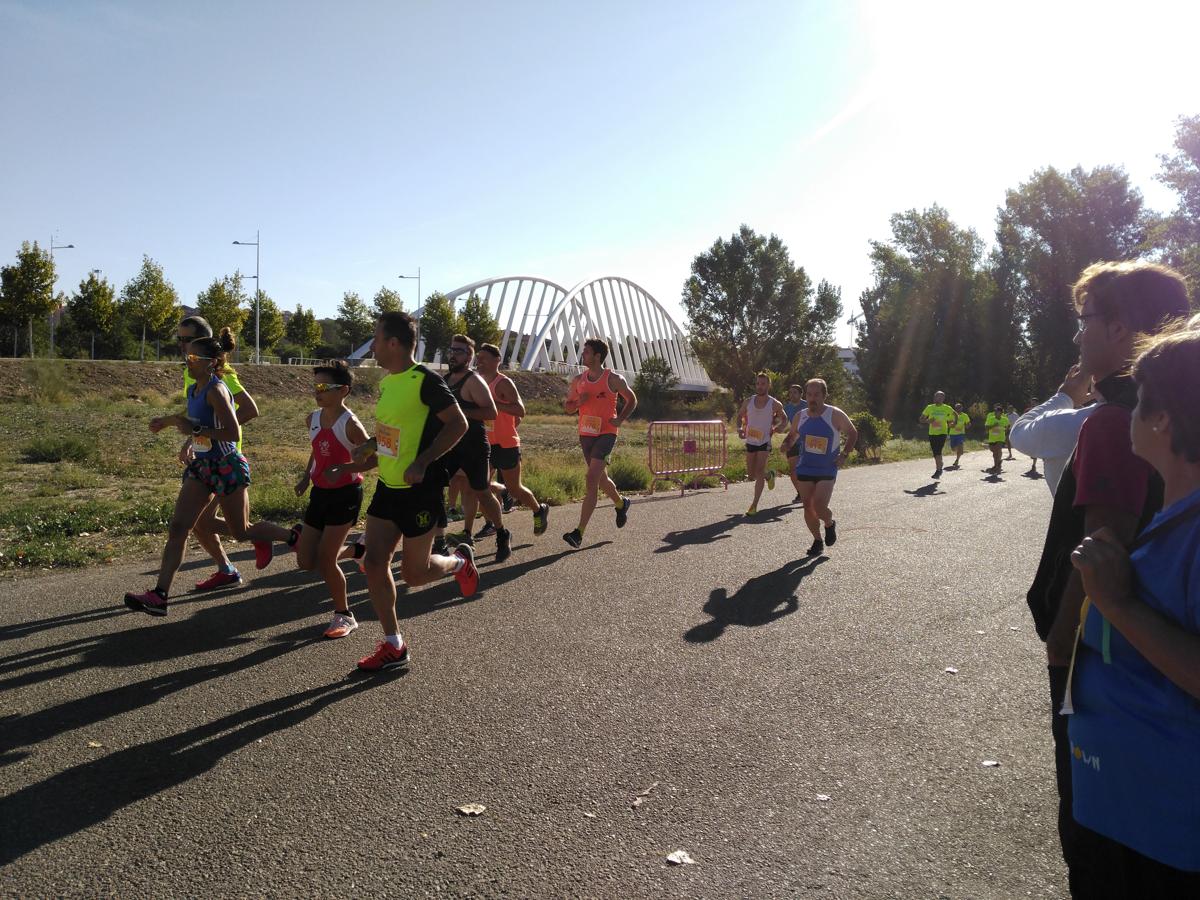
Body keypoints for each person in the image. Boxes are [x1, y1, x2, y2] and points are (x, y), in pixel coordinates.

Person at [1024, 261, 1189, 894]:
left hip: (1104, 658)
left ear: (1119, 327)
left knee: (1093, 841)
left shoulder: (1112, 424)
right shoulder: (1170, 418)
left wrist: (1061, 658)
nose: (1078, 338)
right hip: (1163, 656)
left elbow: (1098, 552)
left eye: (1085, 321)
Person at [1066, 316, 1200, 891]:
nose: (1129, 411)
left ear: (1164, 417)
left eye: (1140, 397)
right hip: (1133, 806)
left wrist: (1119, 605)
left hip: (1168, 828)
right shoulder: (1176, 515)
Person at [324, 312, 477, 673]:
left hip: (419, 491)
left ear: (393, 343)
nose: (372, 346)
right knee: (374, 563)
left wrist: (423, 461)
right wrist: (373, 446)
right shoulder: (389, 383)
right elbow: (399, 428)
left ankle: (458, 562)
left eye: (376, 339)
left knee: (415, 574)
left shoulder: (425, 380)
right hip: (388, 487)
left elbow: (459, 423)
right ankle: (394, 644)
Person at [124, 330, 293, 615]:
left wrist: (197, 431)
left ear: (210, 362)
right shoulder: (194, 389)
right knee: (180, 527)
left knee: (241, 531)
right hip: (202, 467)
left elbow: (232, 431)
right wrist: (169, 422)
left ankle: (290, 537)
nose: (186, 360)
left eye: (192, 356)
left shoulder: (217, 389)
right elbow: (193, 420)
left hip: (226, 465)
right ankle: (159, 595)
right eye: (186, 355)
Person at [170, 315, 293, 589]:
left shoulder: (221, 375)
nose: (180, 345)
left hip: (223, 459)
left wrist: (208, 432)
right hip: (204, 456)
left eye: (186, 340)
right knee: (200, 523)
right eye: (178, 339)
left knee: (206, 523)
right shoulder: (190, 370)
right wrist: (193, 437)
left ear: (202, 341)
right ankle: (227, 568)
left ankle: (270, 536)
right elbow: (199, 414)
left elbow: (250, 410)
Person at [291, 360, 370, 640]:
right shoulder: (312, 418)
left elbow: (372, 460)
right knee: (305, 561)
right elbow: (317, 449)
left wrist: (344, 468)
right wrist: (306, 475)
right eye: (315, 386)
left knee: (325, 561)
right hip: (320, 493)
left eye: (325, 387)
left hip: (346, 494)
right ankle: (356, 552)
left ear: (343, 391)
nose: (318, 391)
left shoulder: (350, 425)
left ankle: (344, 615)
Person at [439, 335, 512, 563]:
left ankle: (501, 532)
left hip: (474, 447)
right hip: (449, 446)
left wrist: (460, 413)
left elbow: (491, 413)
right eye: (452, 350)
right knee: (433, 488)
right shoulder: (445, 379)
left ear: (469, 357)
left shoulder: (474, 381)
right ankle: (439, 542)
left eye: (459, 351)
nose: (453, 354)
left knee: (481, 492)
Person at [562, 338, 637, 548]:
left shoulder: (613, 379)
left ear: (597, 356)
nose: (582, 355)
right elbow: (567, 407)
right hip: (586, 433)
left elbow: (631, 399)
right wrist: (578, 403)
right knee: (601, 479)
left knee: (591, 477)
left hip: (606, 433)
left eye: (586, 352)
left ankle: (578, 533)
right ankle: (621, 504)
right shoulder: (578, 380)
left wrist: (620, 419)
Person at [473, 342, 551, 537]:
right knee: (479, 486)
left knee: (515, 489)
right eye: (478, 357)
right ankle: (491, 522)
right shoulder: (477, 382)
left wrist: (496, 406)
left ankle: (538, 509)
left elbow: (520, 410)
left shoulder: (504, 383)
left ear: (496, 360)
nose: (479, 361)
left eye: (483, 358)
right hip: (485, 444)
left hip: (506, 444)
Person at [781, 378, 858, 557]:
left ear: (824, 395)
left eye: (816, 395)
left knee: (819, 505)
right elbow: (792, 435)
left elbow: (852, 433)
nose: (812, 398)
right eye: (809, 394)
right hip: (806, 467)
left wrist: (844, 455)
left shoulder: (834, 414)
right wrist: (786, 444)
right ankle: (817, 540)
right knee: (808, 507)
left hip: (827, 468)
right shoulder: (801, 415)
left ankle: (829, 523)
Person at [1009, 364, 1099, 496]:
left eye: (1085, 344)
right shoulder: (1133, 416)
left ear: (1094, 378)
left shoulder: (1062, 423)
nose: (1076, 341)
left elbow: (1018, 432)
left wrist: (1064, 397)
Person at [735, 373, 788, 516]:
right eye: (758, 383)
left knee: (758, 471)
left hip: (764, 441)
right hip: (751, 441)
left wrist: (779, 427)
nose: (760, 386)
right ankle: (769, 475)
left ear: (768, 385)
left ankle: (754, 505)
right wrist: (739, 428)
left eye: (763, 384)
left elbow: (784, 418)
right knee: (751, 474)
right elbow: (739, 417)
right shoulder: (748, 402)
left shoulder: (774, 404)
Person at [919, 391, 954, 479]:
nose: (938, 398)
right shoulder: (929, 407)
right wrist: (927, 421)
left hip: (942, 433)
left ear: (943, 399)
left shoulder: (947, 408)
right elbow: (921, 419)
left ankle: (938, 471)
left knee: (938, 451)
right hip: (932, 433)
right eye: (936, 397)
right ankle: (940, 464)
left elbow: (955, 415)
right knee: (935, 452)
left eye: (940, 397)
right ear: (934, 398)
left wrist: (954, 423)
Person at [782, 384, 807, 501]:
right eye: (790, 392)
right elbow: (783, 422)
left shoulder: (806, 406)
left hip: (807, 442)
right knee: (793, 471)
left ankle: (810, 492)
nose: (792, 395)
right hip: (793, 440)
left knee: (805, 469)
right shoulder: (787, 408)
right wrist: (774, 428)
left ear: (801, 394)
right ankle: (800, 492)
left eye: (795, 392)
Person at [984, 403, 1009, 474]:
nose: (995, 413)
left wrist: (1006, 431)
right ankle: (998, 463)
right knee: (994, 452)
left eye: (997, 411)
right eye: (995, 411)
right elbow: (986, 428)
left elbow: (1008, 426)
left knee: (998, 450)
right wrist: (993, 425)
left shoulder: (1005, 420)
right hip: (992, 438)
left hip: (1000, 438)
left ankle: (996, 467)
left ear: (1001, 413)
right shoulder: (991, 419)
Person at [946, 402, 970, 469]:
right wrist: (951, 424)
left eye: (959, 407)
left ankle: (957, 460)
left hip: (961, 434)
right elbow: (948, 424)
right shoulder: (951, 415)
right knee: (953, 448)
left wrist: (968, 425)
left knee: (960, 445)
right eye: (957, 408)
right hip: (952, 434)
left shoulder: (965, 415)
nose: (958, 409)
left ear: (962, 408)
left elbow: (968, 423)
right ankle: (959, 450)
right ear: (955, 408)